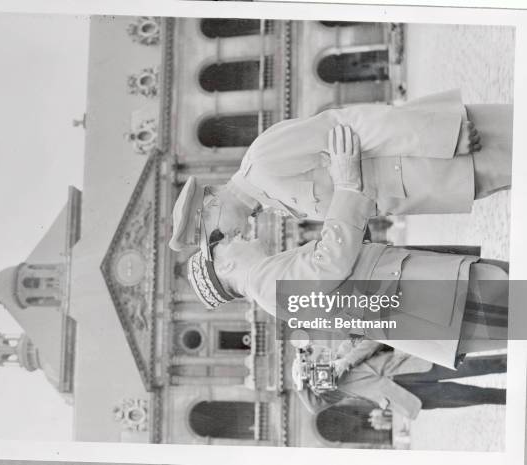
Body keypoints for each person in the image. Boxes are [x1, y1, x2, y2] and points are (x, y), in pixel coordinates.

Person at [181, 126, 509, 369]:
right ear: (224, 268)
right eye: (223, 245)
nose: (234, 237)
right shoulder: (266, 285)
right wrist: (348, 185)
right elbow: (332, 263)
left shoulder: (268, 283)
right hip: (435, 300)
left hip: (430, 302)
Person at [168, 90, 512, 254]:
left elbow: (353, 125)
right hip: (440, 182)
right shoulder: (268, 199)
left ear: (210, 205)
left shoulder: (262, 162)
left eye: (215, 235)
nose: (226, 240)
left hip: (448, 154)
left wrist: (445, 135)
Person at [294, 339, 506, 419]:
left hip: (416, 366)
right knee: (473, 396)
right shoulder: (332, 389)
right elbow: (314, 408)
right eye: (315, 362)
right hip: (407, 396)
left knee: (482, 364)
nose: (321, 357)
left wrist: (346, 362)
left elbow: (375, 339)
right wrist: (300, 384)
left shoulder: (346, 347)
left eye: (318, 353)